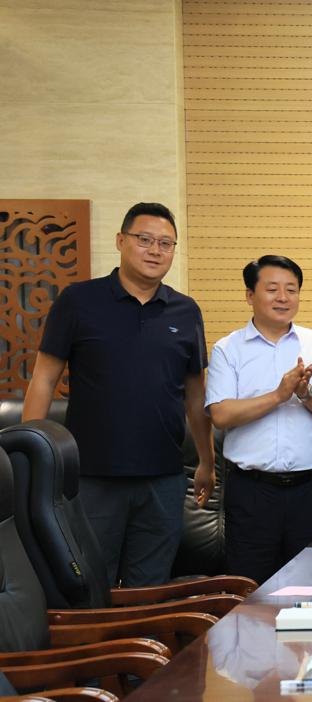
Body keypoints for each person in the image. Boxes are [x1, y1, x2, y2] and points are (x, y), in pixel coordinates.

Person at [23, 202, 213, 587]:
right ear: (120, 241)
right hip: (92, 478)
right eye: (144, 240)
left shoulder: (186, 311)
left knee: (151, 589)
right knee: (92, 586)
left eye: (166, 243)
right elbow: (43, 380)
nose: (155, 250)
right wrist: (31, 459)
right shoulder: (78, 301)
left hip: (164, 477)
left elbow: (196, 395)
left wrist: (207, 462)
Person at [205, 255, 312, 585]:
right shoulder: (228, 349)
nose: (283, 297)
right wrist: (278, 395)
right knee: (249, 590)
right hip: (252, 493)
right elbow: (221, 414)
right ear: (250, 295)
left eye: (291, 290)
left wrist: (306, 392)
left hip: (308, 491)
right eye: (272, 289)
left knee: (310, 590)